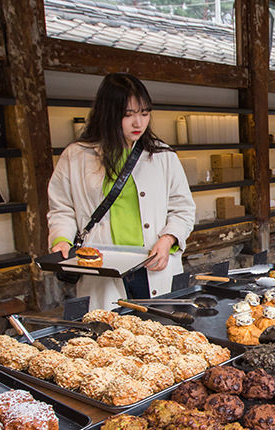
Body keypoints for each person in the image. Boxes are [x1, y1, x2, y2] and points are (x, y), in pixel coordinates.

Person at [47, 73, 196, 310]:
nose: (139, 123)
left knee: (162, 333)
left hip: (153, 265)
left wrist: (168, 240)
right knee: (111, 336)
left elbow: (183, 208)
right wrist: (61, 239)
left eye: (144, 113)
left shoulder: (162, 155)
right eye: (128, 115)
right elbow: (62, 208)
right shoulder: (76, 156)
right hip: (103, 271)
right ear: (107, 113)